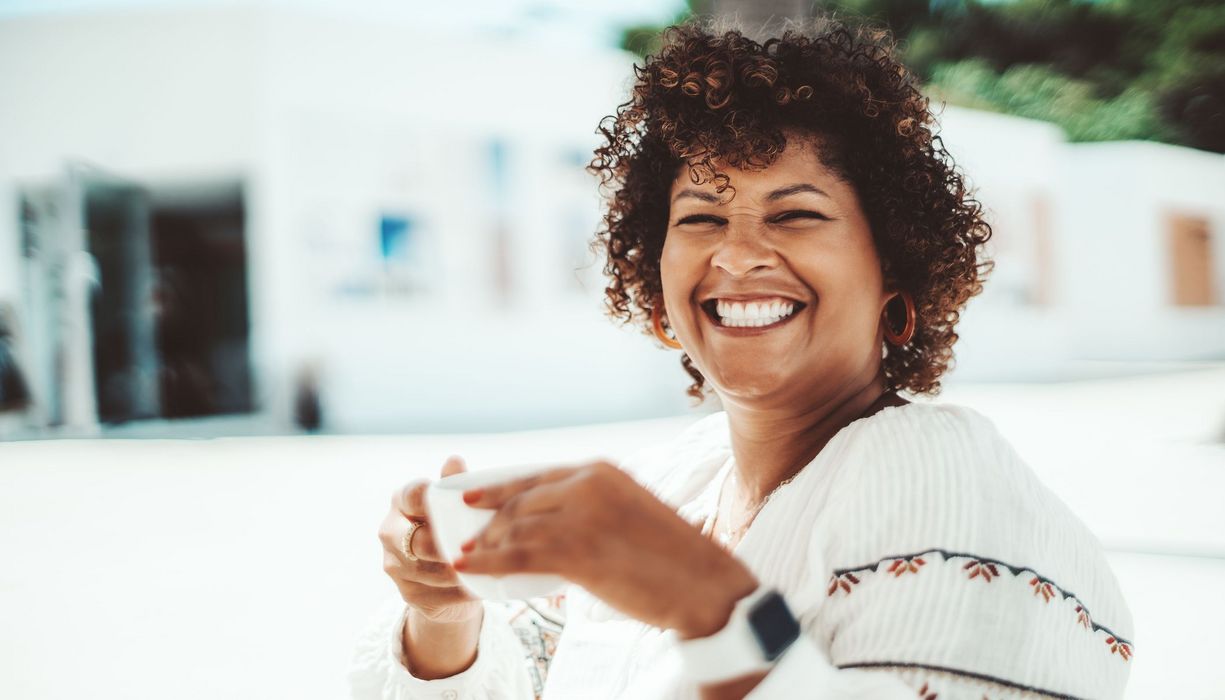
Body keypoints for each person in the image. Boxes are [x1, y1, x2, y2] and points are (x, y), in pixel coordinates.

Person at [350, 17, 1134, 700]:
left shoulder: (947, 482)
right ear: (654, 291)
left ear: (897, 274)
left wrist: (710, 606)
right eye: (699, 216)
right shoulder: (675, 485)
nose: (738, 254)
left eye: (795, 213)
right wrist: (444, 618)